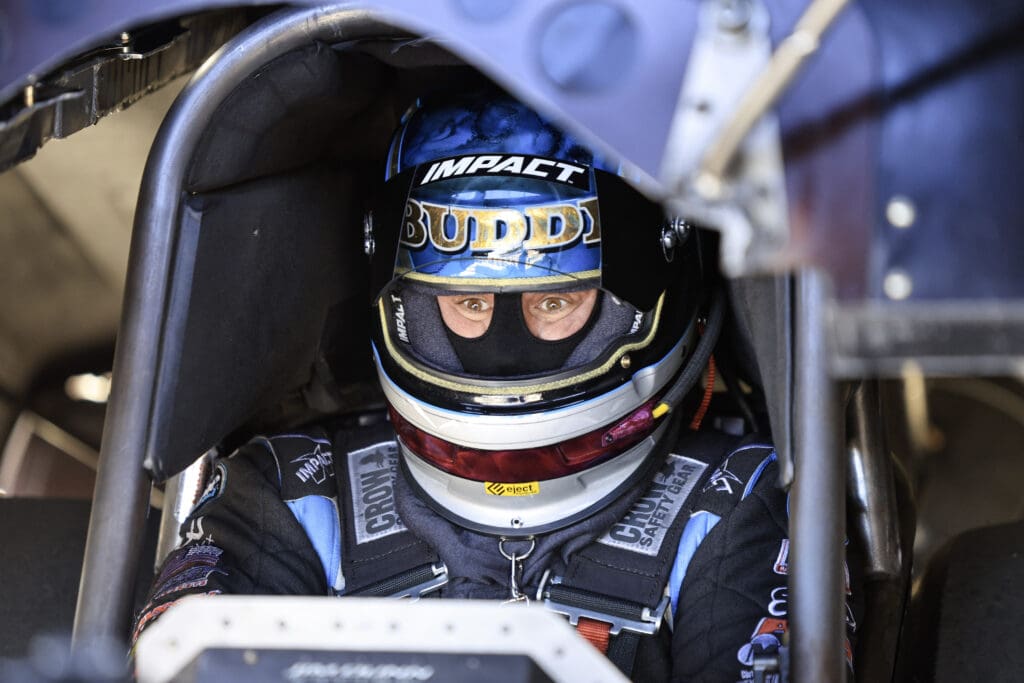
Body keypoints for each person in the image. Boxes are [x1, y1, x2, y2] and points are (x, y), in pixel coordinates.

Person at [133, 90, 859, 681]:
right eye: (469, 303)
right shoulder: (295, 493)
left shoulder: (732, 502)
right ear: (403, 302)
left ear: (647, 297)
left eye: (555, 301)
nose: (507, 350)